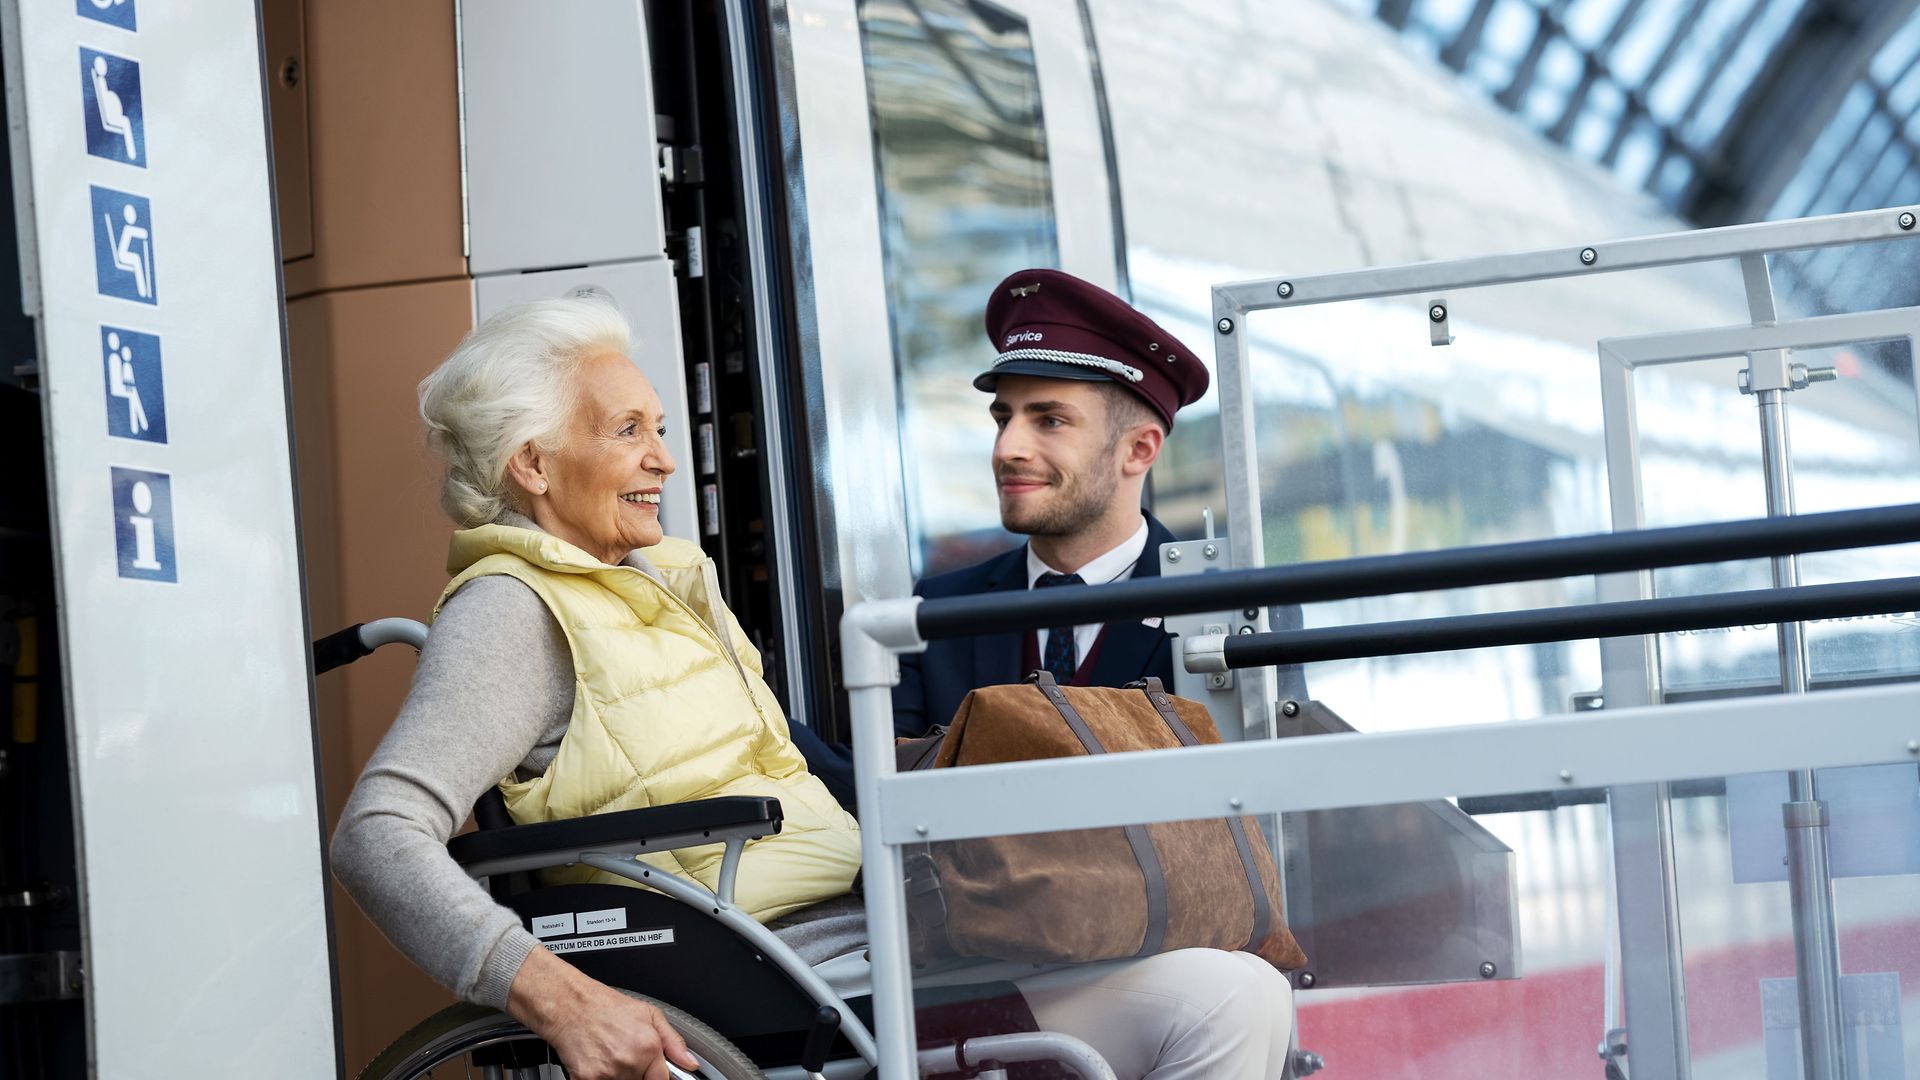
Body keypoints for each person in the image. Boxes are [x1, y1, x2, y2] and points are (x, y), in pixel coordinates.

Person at [332, 292, 1296, 1080]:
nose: (664, 457)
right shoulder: (512, 610)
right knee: (1224, 1003)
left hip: (874, 930)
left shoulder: (665, 585)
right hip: (781, 971)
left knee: (1237, 990)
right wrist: (560, 997)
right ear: (533, 464)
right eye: (629, 431)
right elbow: (376, 834)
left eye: (660, 428)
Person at [795, 267, 1204, 800]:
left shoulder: (1217, 608)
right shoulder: (939, 608)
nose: (1007, 448)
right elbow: (877, 788)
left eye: (1049, 420)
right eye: (1002, 419)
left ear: (1139, 449)